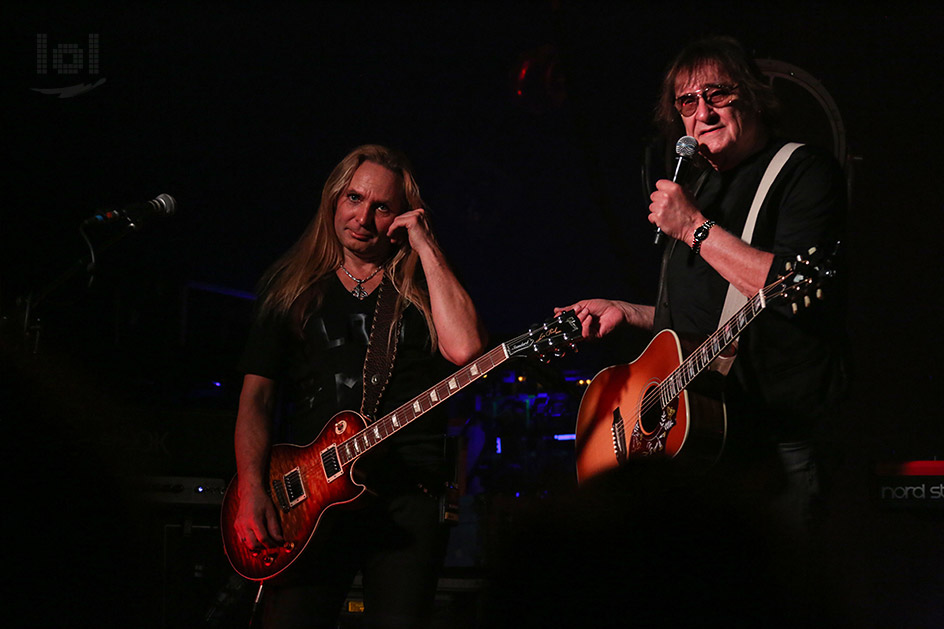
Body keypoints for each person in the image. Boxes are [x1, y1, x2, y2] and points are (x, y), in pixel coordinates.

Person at [559, 36, 848, 542]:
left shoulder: (802, 171)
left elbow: (789, 282)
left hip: (771, 441)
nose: (702, 112)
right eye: (688, 101)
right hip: (697, 438)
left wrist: (693, 226)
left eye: (718, 94)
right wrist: (628, 311)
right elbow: (705, 318)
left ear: (753, 95)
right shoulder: (701, 185)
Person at [233, 144, 488, 628]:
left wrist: (425, 244)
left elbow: (468, 351)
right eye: (354, 198)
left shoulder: (421, 289)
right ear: (333, 198)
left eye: (382, 207)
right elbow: (257, 398)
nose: (363, 216)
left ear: (400, 216)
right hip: (309, 497)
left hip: (407, 498)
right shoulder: (290, 289)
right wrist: (250, 487)